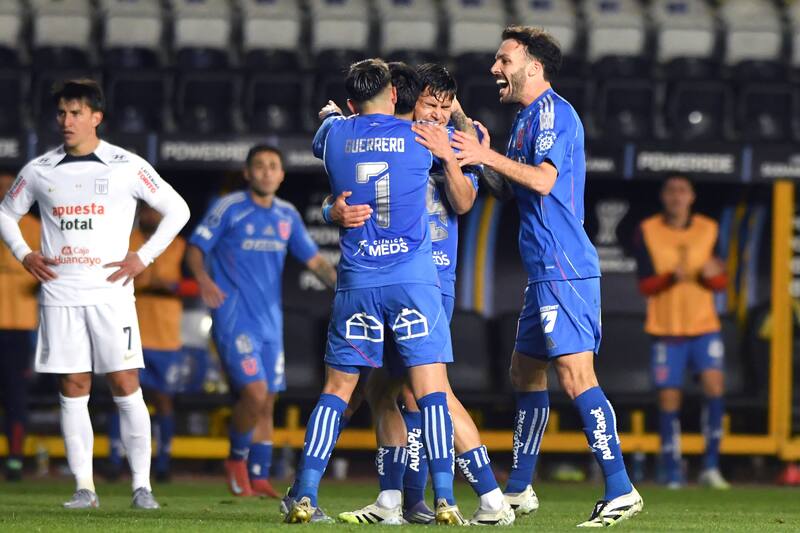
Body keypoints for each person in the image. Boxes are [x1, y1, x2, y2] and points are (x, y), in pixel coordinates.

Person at [451, 27, 643, 527]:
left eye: (503, 59)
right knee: (524, 372)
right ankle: (518, 490)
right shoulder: (522, 121)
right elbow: (508, 189)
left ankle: (621, 488)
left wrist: (486, 157)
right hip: (543, 272)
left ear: (532, 66)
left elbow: (543, 179)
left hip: (565, 267)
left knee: (577, 376)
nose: (496, 68)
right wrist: (474, 145)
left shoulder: (556, 113)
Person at [323, 62, 513, 526]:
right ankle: (397, 503)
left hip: (431, 280)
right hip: (390, 278)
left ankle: (490, 496)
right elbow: (343, 188)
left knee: (429, 392)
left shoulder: (456, 139)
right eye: (432, 104)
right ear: (409, 101)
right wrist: (332, 208)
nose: (440, 114)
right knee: (382, 389)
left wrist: (452, 148)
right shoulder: (393, 135)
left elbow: (468, 202)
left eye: (448, 106)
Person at [284, 58, 463, 525]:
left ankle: (304, 494)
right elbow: (457, 188)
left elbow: (325, 132)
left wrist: (329, 209)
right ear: (393, 95)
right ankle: (444, 496)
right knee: (431, 392)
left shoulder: (336, 136)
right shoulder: (421, 138)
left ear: (350, 102)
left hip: (359, 280)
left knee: (337, 391)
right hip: (412, 281)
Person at [0, 79, 190, 509]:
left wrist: (142, 257)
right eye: (62, 113)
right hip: (60, 294)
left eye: (76, 113)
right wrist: (24, 253)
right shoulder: (40, 169)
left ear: (96, 117)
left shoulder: (126, 165)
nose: (67, 121)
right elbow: (6, 214)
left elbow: (178, 209)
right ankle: (84, 487)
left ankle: (142, 486)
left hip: (111, 294)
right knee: (73, 385)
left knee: (126, 384)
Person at [186, 144, 336, 499]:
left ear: (282, 175)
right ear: (248, 172)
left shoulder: (287, 215)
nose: (267, 172)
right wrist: (204, 281)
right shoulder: (229, 208)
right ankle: (236, 460)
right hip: (235, 318)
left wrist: (347, 289)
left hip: (271, 323)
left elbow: (315, 262)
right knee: (253, 393)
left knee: (268, 399)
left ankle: (259, 476)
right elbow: (195, 248)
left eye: (273, 166)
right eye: (260, 166)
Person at [633, 175, 729, 489]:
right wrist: (668, 279)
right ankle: (672, 470)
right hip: (667, 328)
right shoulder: (648, 231)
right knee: (669, 398)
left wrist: (711, 277)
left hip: (704, 325)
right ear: (663, 196)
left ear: (692, 197)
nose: (677, 197)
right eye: (671, 191)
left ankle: (711, 466)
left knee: (715, 386)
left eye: (682, 191)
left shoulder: (709, 229)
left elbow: (722, 280)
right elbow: (645, 285)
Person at [108, 204, 193, 482]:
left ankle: (163, 461)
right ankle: (115, 459)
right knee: (123, 395)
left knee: (163, 400)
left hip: (166, 336)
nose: (151, 217)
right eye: (146, 211)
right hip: (130, 330)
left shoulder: (178, 244)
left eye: (156, 212)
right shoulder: (122, 238)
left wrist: (174, 287)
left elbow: (197, 285)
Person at [0, 171, 40, 481]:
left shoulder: (36, 229)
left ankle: (14, 458)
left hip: (19, 326)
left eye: (7, 188)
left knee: (15, 395)